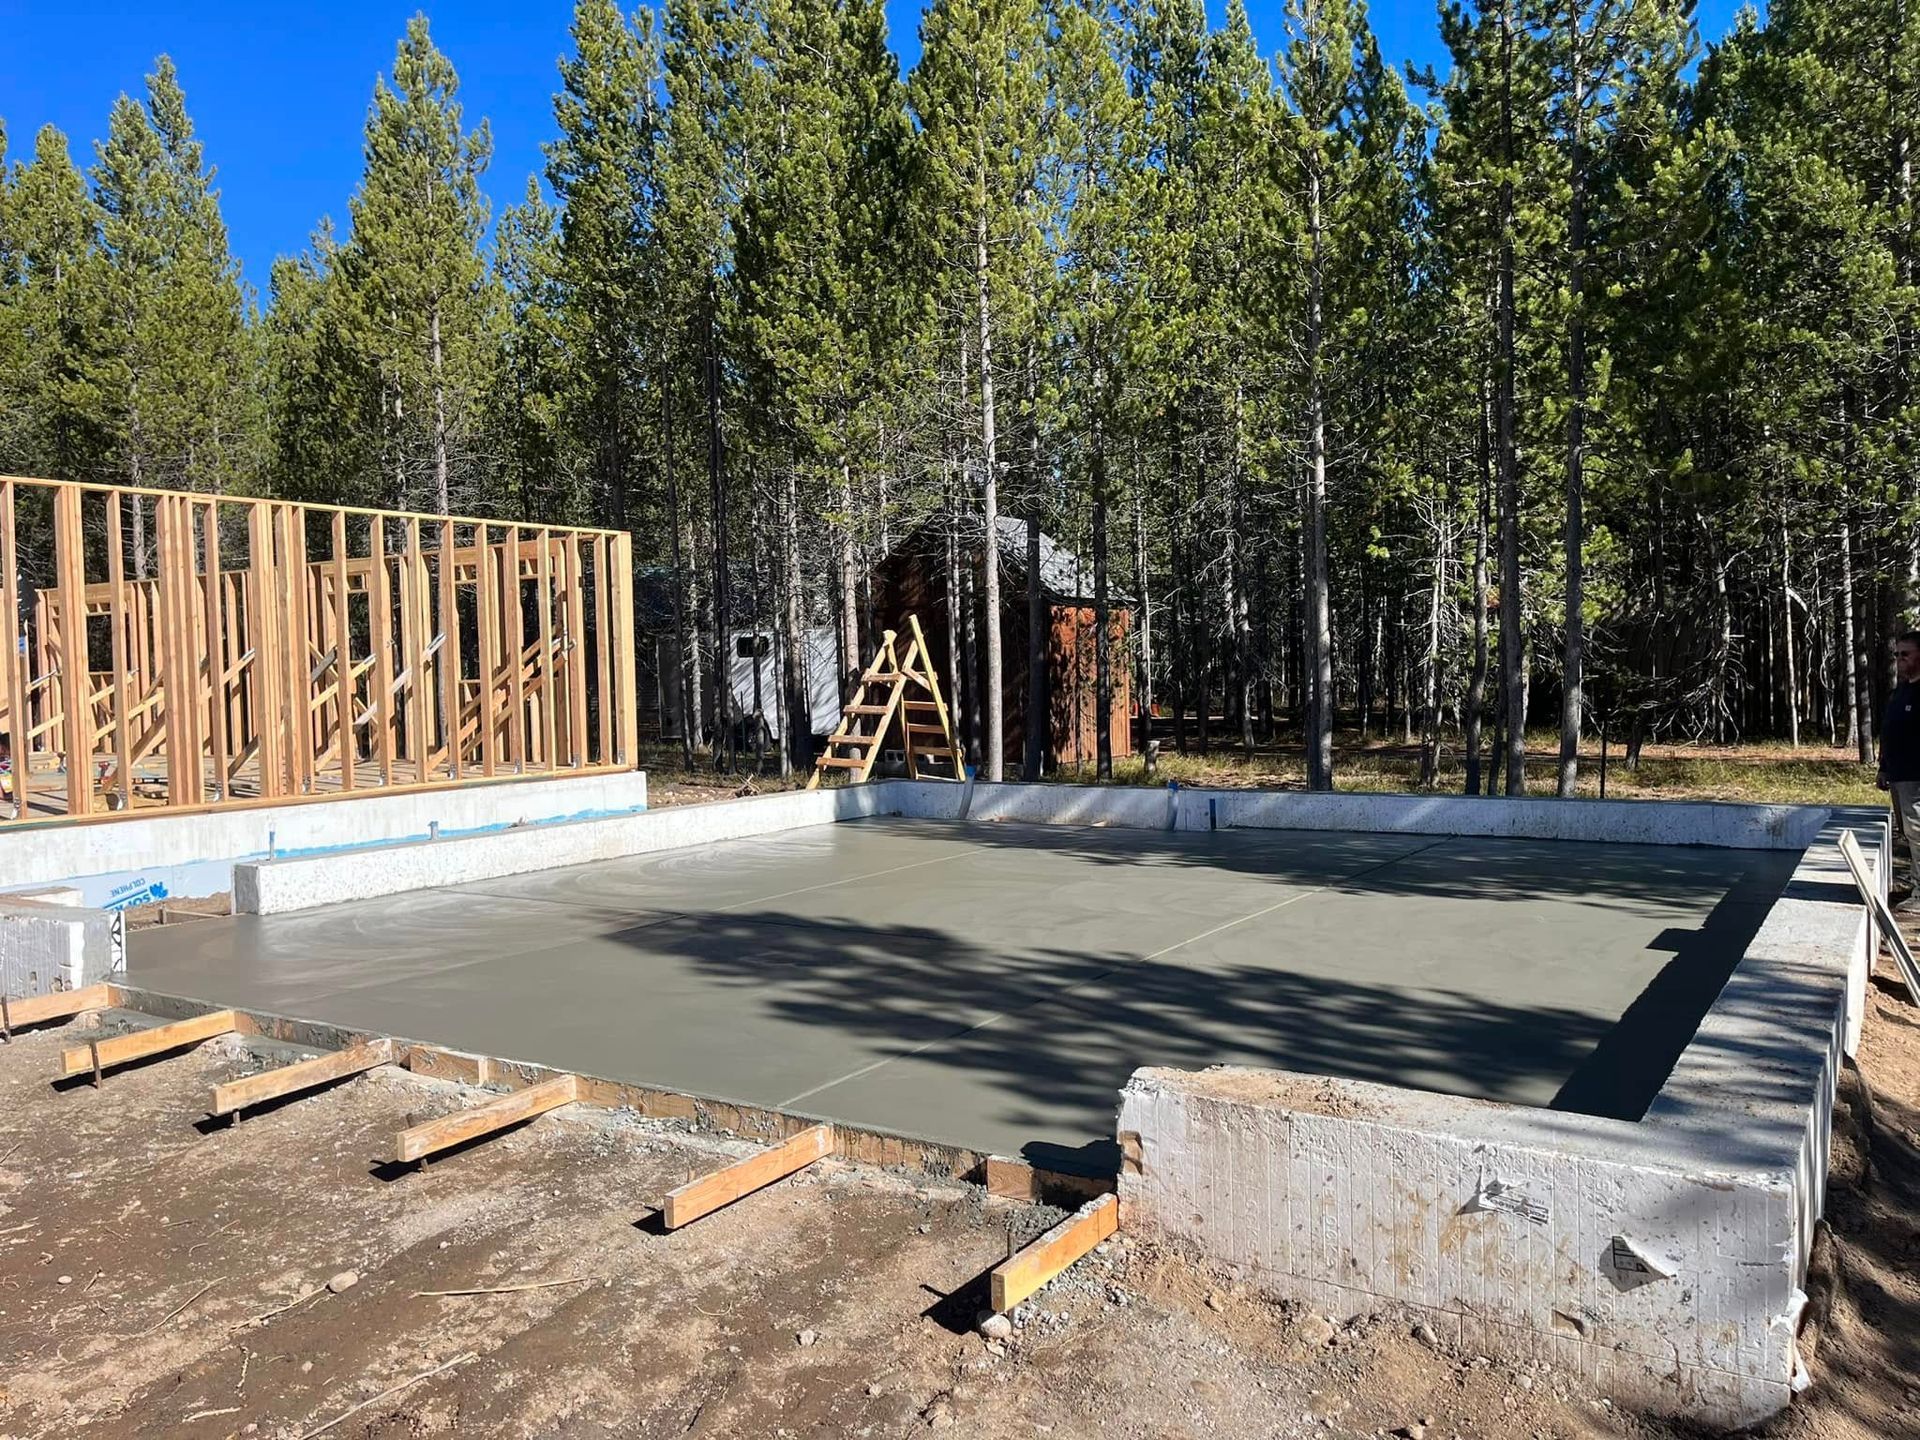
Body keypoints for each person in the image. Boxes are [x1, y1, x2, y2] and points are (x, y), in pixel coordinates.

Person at [1877, 631, 1920, 907]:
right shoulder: (1902, 690)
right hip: (1899, 776)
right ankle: (1917, 886)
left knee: (1919, 834)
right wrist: (1884, 768)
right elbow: (1891, 732)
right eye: (1897, 654)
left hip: (1917, 778)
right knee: (1910, 833)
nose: (1899, 659)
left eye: (1905, 654)